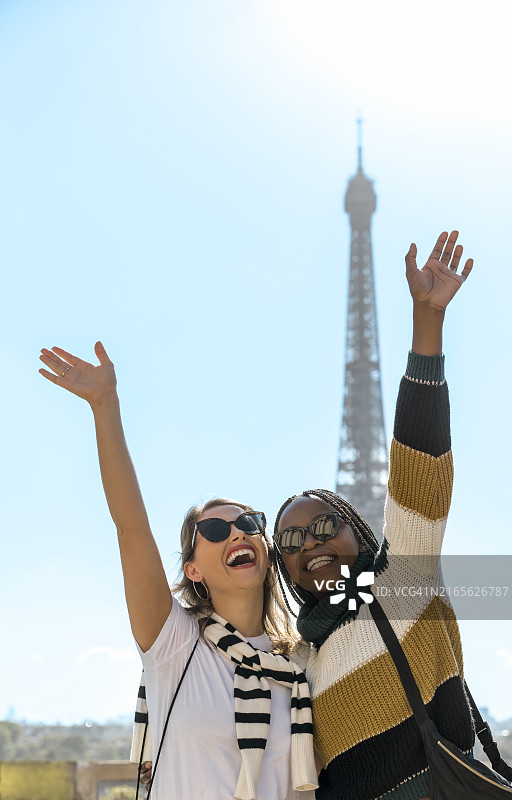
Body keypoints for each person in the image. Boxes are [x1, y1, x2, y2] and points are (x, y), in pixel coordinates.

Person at [38, 347, 318, 799]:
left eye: (248, 524)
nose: (236, 535)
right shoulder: (175, 643)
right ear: (192, 569)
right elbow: (131, 531)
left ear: (265, 547)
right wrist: (105, 407)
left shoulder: (299, 666)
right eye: (214, 530)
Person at [272, 231, 474, 800]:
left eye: (321, 528)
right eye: (290, 541)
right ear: (284, 569)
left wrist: (426, 323)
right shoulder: (299, 660)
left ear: (357, 531)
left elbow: (419, 464)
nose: (309, 544)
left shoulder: (403, 582)